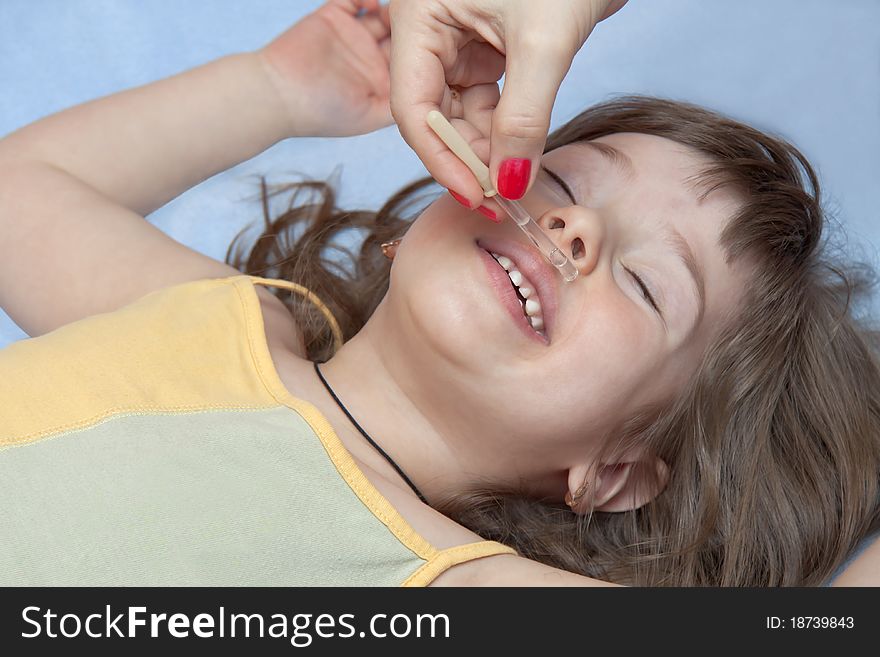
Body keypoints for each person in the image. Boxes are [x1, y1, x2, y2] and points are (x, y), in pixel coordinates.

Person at [0, 0, 877, 586]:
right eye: (563, 185)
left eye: (648, 285)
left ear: (613, 475)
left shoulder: (455, 581)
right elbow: (22, 190)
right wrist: (275, 88)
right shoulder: (224, 315)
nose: (578, 231)